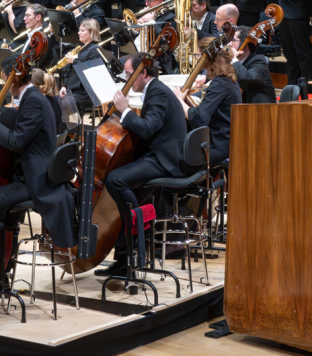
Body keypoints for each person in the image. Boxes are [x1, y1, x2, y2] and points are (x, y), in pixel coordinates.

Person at [0, 55, 74, 287]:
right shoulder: (36, 97)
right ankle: (5, 267)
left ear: (13, 79)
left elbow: (16, 142)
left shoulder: (31, 99)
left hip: (33, 183)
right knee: (0, 213)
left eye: (4, 80)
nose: (4, 86)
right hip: (34, 177)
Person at [98, 52, 189, 277]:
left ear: (143, 73)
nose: (127, 80)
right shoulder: (154, 90)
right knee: (126, 193)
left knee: (115, 179)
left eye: (129, 75)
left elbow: (149, 128)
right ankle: (123, 256)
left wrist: (125, 110)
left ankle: (135, 244)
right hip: (159, 154)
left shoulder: (157, 91)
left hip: (165, 160)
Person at [176, 37, 241, 165]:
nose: (196, 58)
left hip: (219, 147)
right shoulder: (227, 80)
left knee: (173, 158)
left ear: (207, 58)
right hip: (223, 143)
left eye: (197, 55)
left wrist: (179, 100)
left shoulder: (220, 83)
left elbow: (200, 120)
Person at [57, 19, 106, 112]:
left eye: (82, 31)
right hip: (73, 90)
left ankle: (68, 126)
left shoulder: (96, 50)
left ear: (91, 32)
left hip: (85, 93)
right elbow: (70, 71)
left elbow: (89, 72)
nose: (79, 33)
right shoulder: (80, 49)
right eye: (79, 30)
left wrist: (74, 60)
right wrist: (64, 86)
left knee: (59, 104)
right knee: (53, 100)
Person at [231, 26, 275, 104]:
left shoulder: (258, 60)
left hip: (262, 112)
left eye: (233, 40)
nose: (229, 44)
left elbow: (247, 78)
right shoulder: (234, 63)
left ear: (245, 44)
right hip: (242, 110)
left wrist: (233, 59)